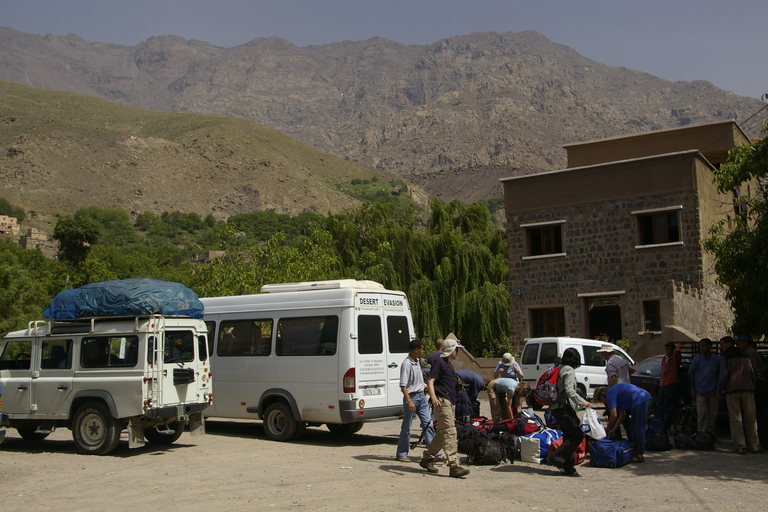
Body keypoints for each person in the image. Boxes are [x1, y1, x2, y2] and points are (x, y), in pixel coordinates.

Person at [420, 335, 470, 478]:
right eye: (457, 350)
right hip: (443, 402)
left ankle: (427, 458)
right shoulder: (440, 363)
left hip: (449, 401)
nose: (457, 353)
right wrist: (434, 398)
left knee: (442, 434)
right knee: (450, 432)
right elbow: (430, 382)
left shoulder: (447, 363)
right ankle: (454, 465)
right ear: (452, 350)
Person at [547, 347, 591, 477]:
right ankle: (556, 457)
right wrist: (583, 402)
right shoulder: (569, 370)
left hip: (556, 407)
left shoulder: (559, 368)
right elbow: (569, 390)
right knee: (578, 434)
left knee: (568, 435)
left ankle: (568, 468)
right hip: (564, 408)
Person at [718, 336, 762, 454]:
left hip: (733, 390)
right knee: (751, 418)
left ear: (729, 344)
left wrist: (719, 391)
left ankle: (740, 445)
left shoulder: (725, 357)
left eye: (722, 344)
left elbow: (723, 375)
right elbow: (751, 373)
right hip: (748, 389)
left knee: (735, 419)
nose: (721, 347)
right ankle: (755, 445)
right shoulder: (745, 356)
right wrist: (752, 387)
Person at [396, 340, 435, 462]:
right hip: (412, 398)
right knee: (407, 427)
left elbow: (417, 381)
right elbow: (403, 386)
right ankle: (401, 454)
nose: (422, 351)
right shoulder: (406, 364)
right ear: (416, 350)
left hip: (422, 397)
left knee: (428, 424)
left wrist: (424, 386)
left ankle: (435, 452)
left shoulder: (417, 362)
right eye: (421, 349)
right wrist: (409, 401)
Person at [593, 383, 652, 463]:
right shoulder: (616, 394)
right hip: (645, 397)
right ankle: (637, 451)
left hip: (639, 400)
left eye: (601, 401)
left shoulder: (610, 394)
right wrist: (613, 430)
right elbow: (622, 415)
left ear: (602, 396)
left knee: (637, 428)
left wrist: (608, 429)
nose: (604, 403)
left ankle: (639, 454)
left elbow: (613, 415)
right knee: (634, 427)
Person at [737, 335, 768, 447]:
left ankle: (760, 440)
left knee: (756, 414)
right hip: (754, 384)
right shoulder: (748, 353)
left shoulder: (750, 353)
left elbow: (755, 371)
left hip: (756, 385)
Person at [688, 338, 721, 437]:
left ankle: (711, 434)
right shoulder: (697, 360)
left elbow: (720, 375)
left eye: (703, 346)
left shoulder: (717, 359)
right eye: (700, 346)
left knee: (713, 414)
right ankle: (701, 433)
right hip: (700, 390)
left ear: (709, 347)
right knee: (702, 413)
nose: (701, 348)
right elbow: (692, 375)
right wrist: (692, 389)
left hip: (713, 390)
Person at [654, 342, 681, 431]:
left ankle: (666, 426)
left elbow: (677, 353)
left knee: (668, 406)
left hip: (671, 383)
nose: (667, 351)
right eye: (666, 349)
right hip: (663, 383)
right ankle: (657, 424)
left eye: (669, 349)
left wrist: (678, 348)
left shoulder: (674, 358)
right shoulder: (664, 359)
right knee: (659, 405)